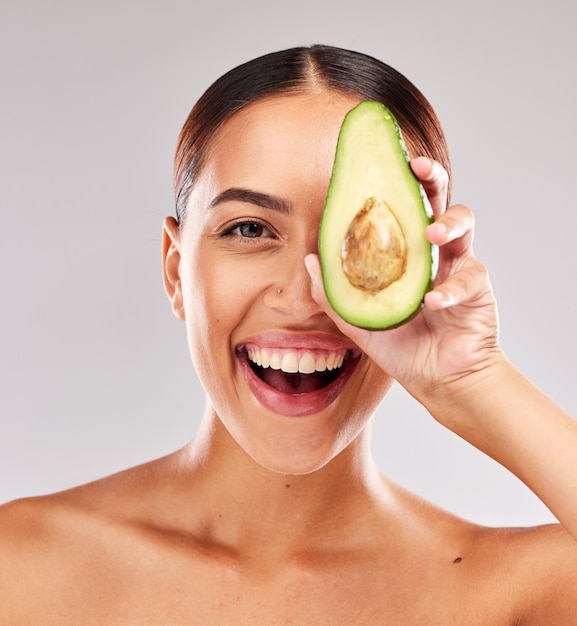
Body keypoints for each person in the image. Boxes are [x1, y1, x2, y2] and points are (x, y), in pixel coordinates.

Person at [1, 44, 576, 624]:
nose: (305, 300)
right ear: (176, 269)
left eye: (360, 235)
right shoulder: (22, 568)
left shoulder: (523, 593)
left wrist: (477, 379)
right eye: (250, 228)